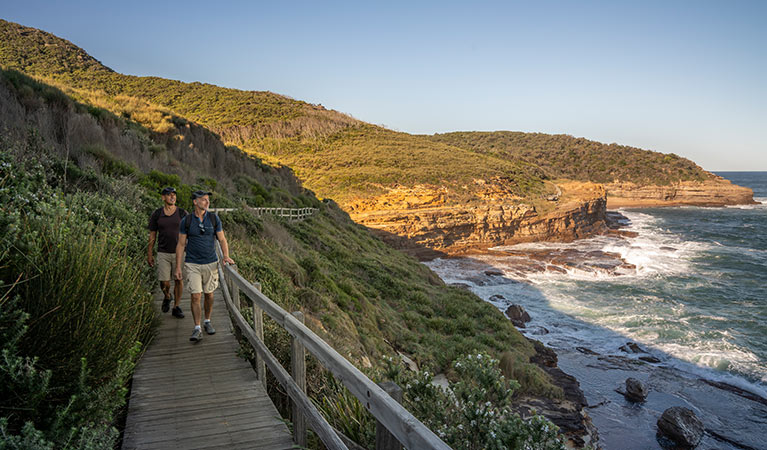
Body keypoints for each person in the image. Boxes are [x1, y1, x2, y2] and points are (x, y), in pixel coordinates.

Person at [175, 190, 234, 342]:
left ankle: (207, 321)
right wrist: (178, 267)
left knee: (209, 294)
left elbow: (222, 240)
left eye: (208, 200)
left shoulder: (214, 219)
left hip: (211, 263)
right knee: (196, 295)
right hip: (192, 263)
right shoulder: (186, 221)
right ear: (195, 202)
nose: (207, 202)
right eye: (203, 200)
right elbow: (181, 245)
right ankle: (197, 328)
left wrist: (226, 256)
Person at [148, 187, 187, 318]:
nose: (172, 197)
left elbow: (190, 232)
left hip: (179, 253)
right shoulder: (157, 214)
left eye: (174, 195)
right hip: (163, 252)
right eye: (169, 195)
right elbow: (152, 235)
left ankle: (176, 306)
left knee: (178, 280)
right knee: (164, 282)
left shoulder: (182, 213)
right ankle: (167, 296)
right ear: (163, 197)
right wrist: (149, 254)